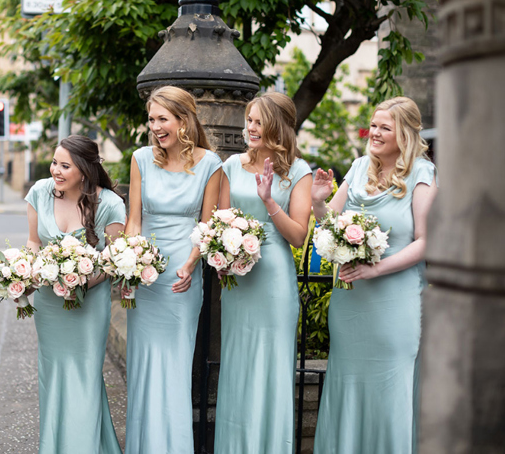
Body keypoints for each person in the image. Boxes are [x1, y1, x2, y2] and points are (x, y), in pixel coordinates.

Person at [312, 96, 438, 453]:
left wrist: (376, 268)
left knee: (391, 387)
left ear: (406, 134)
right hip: (351, 303)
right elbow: (329, 226)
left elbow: (425, 241)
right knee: (347, 383)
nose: (376, 133)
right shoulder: (357, 167)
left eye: (386, 127)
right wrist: (320, 202)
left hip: (395, 303)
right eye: (374, 125)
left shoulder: (422, 173)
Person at [124, 85, 222, 454]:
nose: (155, 127)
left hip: (182, 276)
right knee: (145, 367)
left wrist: (192, 262)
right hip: (145, 277)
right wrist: (129, 266)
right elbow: (135, 220)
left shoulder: (210, 164)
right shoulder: (140, 159)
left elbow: (208, 223)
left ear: (184, 120)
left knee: (175, 368)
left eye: (162, 119)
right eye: (151, 119)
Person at [214, 92, 312, 453]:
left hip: (273, 280)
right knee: (238, 366)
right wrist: (224, 254)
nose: (250, 128)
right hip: (238, 279)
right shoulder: (231, 165)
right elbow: (221, 222)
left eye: (259, 121)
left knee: (270, 368)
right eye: (249, 120)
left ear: (277, 127)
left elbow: (299, 236)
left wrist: (269, 201)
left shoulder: (298, 171)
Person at [24, 135, 126, 453]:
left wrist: (80, 283)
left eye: (65, 165)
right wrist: (23, 275)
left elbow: (116, 259)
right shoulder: (39, 192)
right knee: (53, 379)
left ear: (83, 170)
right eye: (55, 162)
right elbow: (33, 244)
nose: (55, 170)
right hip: (49, 306)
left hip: (89, 307)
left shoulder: (110, 203)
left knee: (84, 376)